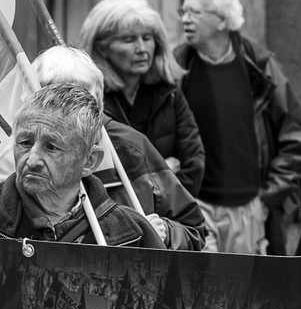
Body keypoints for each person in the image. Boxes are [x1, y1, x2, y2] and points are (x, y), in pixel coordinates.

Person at [0, 83, 162, 249]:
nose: (32, 160)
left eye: (51, 147)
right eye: (24, 143)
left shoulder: (132, 235)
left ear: (89, 161)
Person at [176, 0, 301, 254]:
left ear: (222, 19)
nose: (185, 19)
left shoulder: (259, 64)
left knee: (241, 282)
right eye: (183, 11)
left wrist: (268, 197)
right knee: (201, 280)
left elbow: (298, 135)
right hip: (195, 206)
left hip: (248, 209)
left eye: (195, 12)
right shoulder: (176, 67)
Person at [33, 46, 208, 250]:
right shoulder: (18, 152)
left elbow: (192, 229)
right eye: (49, 103)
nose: (61, 115)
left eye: (77, 101)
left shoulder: (129, 147)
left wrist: (164, 233)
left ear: (98, 102)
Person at [78, 0, 204, 193]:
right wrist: (163, 171)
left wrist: (161, 200)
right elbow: (87, 171)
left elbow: (193, 164)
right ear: (102, 47)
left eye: (147, 38)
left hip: (169, 209)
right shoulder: (88, 97)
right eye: (128, 40)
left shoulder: (169, 92)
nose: (142, 49)